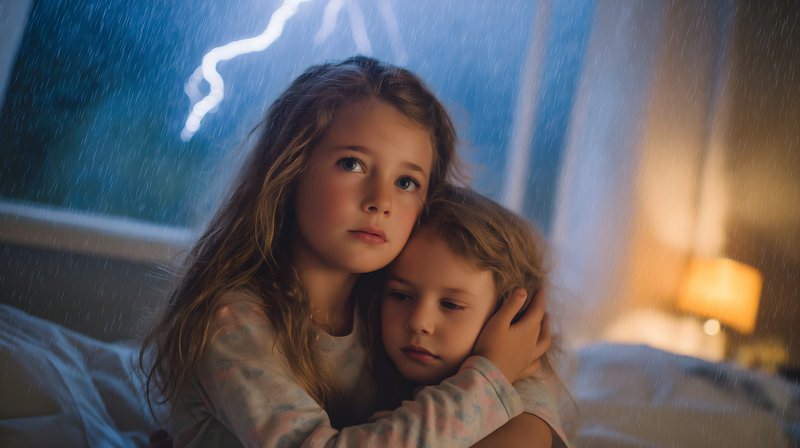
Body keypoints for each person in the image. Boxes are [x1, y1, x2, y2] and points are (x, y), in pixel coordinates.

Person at [140, 55, 552, 447]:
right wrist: (489, 379)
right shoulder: (234, 323)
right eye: (352, 164)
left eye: (406, 182)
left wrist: (514, 397)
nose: (381, 201)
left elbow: (533, 387)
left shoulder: (392, 305)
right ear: (290, 168)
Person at [365, 184, 570, 447]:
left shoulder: (524, 416)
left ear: (514, 318)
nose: (418, 322)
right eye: (401, 295)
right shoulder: (379, 377)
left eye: (450, 305)